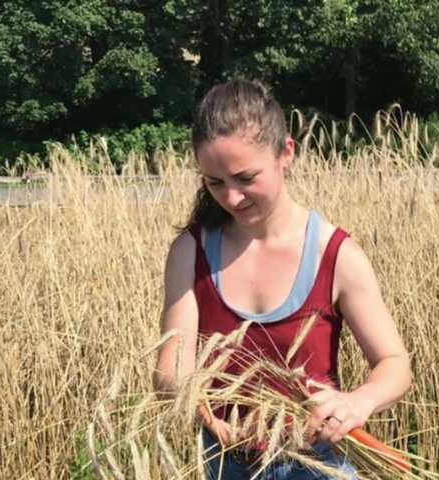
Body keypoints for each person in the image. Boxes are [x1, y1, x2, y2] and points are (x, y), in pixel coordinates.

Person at [153, 78, 412, 479]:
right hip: (228, 466)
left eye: (245, 178)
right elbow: (171, 372)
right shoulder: (192, 252)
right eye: (215, 183)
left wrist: (358, 402)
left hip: (318, 465)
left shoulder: (336, 255)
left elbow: (394, 365)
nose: (231, 198)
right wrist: (205, 416)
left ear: (285, 152)